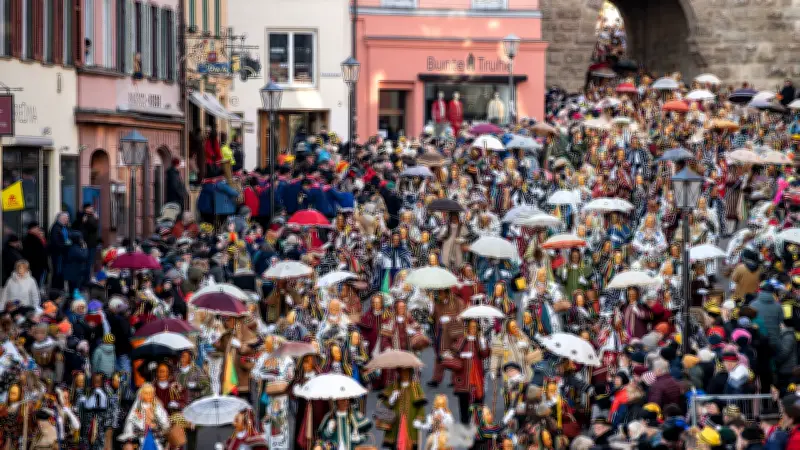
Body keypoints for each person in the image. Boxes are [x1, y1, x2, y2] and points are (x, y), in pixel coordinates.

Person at [72, 203, 100, 280]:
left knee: (88, 264)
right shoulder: (84, 217)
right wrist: (96, 220)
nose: (92, 209)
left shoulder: (90, 217)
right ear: (86, 209)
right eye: (90, 208)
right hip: (87, 244)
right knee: (86, 264)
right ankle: (85, 282)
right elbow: (93, 228)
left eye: (92, 208)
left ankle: (85, 281)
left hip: (91, 244)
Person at [49, 212, 72, 290]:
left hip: (63, 253)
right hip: (58, 254)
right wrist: (65, 245)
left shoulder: (64, 227)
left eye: (67, 218)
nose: (67, 220)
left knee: (61, 271)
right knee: (57, 271)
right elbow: (55, 241)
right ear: (61, 219)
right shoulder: (56, 228)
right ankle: (56, 289)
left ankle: (60, 288)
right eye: (66, 218)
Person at [22, 221, 48, 287]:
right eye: (37, 228)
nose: (38, 230)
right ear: (32, 229)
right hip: (35, 266)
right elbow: (33, 253)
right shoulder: (30, 239)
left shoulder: (37, 238)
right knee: (36, 283)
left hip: (38, 266)